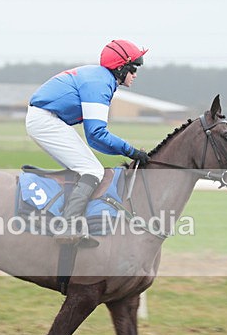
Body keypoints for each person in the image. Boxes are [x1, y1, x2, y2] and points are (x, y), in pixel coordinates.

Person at [26, 39, 151, 246]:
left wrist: (128, 152)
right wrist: (131, 151)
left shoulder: (101, 78)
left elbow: (95, 138)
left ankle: (73, 221)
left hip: (48, 118)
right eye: (133, 68)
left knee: (89, 168)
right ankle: (67, 226)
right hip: (45, 120)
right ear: (120, 67)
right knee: (92, 170)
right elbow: (97, 134)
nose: (135, 74)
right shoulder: (99, 83)